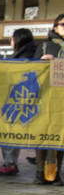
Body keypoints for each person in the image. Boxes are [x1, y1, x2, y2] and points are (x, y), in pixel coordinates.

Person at [0, 28, 40, 177]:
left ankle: (10, 163)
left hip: (19, 101)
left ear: (18, 39)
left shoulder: (24, 55)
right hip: (31, 101)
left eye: (12, 38)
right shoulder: (34, 51)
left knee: (9, 131)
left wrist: (0, 64)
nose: (10, 41)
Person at [36, 15, 64, 184]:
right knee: (41, 134)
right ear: (55, 27)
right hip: (45, 96)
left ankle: (55, 173)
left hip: (62, 98)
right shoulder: (45, 45)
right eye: (63, 24)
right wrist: (41, 62)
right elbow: (29, 68)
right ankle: (40, 172)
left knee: (61, 136)